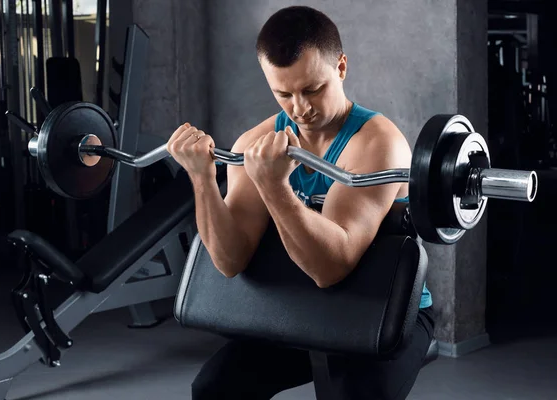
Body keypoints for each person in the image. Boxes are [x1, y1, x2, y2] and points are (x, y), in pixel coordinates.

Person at [167, 5, 435, 400]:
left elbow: (332, 267)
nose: (300, 108)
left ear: (340, 68)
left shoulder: (377, 144)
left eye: (312, 89)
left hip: (383, 306)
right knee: (214, 389)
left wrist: (275, 188)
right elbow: (229, 260)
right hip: (302, 300)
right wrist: (202, 178)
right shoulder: (253, 145)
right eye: (283, 94)